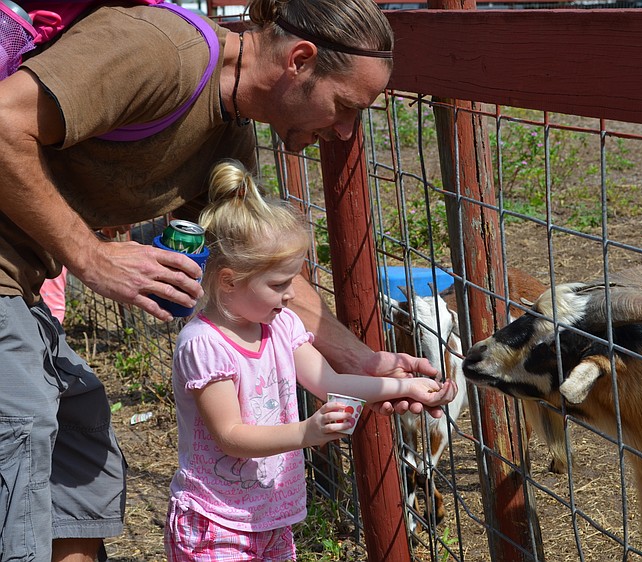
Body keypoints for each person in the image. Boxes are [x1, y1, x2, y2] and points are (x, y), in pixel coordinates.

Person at [0, 0, 456, 560]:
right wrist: (92, 256)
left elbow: (267, 273)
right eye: (345, 107)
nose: (343, 130)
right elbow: (2, 124)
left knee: (78, 446)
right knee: (22, 436)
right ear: (300, 60)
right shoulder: (161, 53)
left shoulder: (226, 139)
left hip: (22, 282)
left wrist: (359, 361)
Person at [165, 159, 449, 561]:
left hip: (272, 516)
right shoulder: (204, 345)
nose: (288, 295)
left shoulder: (280, 327)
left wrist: (407, 386)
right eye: (279, 284)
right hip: (217, 520)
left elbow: (329, 381)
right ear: (229, 280)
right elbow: (230, 435)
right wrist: (307, 432)